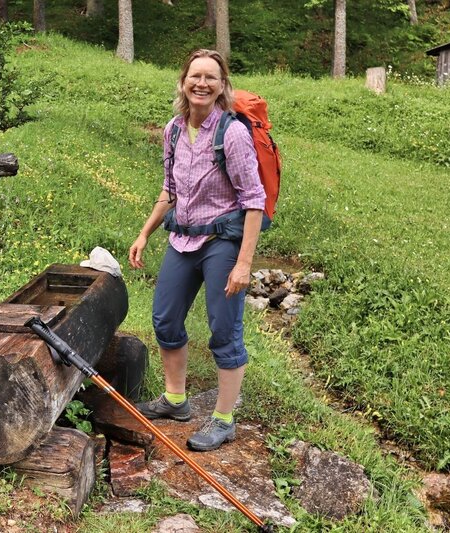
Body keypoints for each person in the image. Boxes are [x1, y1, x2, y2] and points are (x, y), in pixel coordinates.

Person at [128, 49, 265, 452]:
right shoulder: (173, 130)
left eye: (211, 77)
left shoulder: (232, 133)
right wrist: (144, 234)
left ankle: (223, 420)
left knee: (224, 332)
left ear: (223, 87)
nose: (201, 83)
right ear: (183, 82)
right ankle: (175, 400)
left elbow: (254, 199)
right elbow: (169, 192)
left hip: (221, 242)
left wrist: (244, 263)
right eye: (195, 76)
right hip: (181, 239)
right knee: (165, 318)